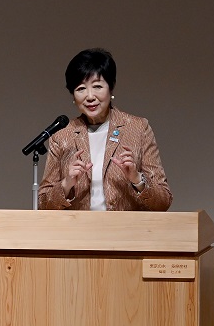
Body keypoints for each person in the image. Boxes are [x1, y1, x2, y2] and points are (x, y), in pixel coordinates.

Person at [38, 48, 172, 211]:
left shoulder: (138, 128)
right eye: (81, 89)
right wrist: (67, 183)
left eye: (97, 86)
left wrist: (137, 179)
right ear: (73, 96)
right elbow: (42, 204)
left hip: (126, 233)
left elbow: (163, 202)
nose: (90, 96)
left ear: (111, 88)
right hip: (78, 232)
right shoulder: (62, 134)